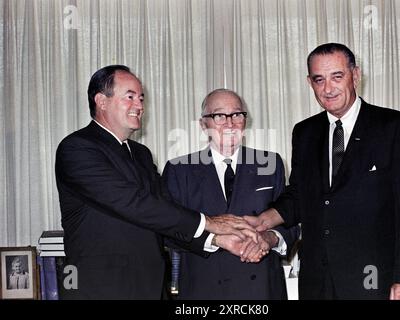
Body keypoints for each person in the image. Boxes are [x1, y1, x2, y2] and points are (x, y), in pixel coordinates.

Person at [244, 43, 400, 300]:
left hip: (375, 278)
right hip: (317, 281)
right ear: (310, 82)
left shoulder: (394, 127)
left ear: (355, 75)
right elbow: (300, 195)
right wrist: (262, 222)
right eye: (319, 80)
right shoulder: (305, 132)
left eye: (337, 77)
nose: (328, 88)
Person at [55, 65, 256, 299]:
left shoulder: (141, 154)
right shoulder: (77, 148)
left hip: (150, 286)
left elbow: (164, 213)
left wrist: (218, 240)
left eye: (141, 98)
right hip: (99, 288)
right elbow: (133, 203)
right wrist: (209, 223)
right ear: (101, 101)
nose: (139, 105)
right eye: (129, 97)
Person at [163, 89, 299, 299]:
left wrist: (270, 238)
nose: (230, 123)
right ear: (203, 124)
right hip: (203, 291)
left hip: (262, 290)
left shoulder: (271, 164)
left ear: (245, 121)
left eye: (237, 114)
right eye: (219, 116)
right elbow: (169, 231)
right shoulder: (179, 170)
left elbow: (290, 219)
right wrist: (215, 238)